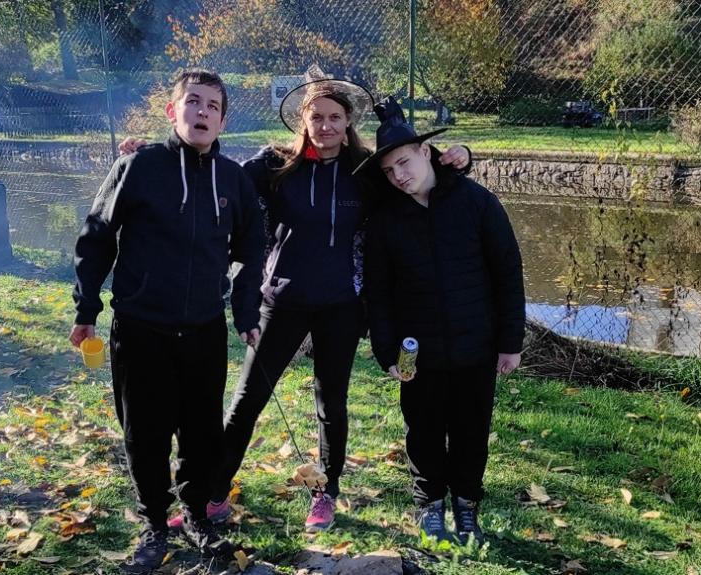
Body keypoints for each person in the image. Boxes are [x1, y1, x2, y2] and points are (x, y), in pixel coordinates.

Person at [119, 75, 473, 532]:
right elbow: (208, 166)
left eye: (335, 117)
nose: (326, 126)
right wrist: (151, 150)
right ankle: (211, 495)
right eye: (316, 117)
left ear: (348, 122)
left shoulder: (366, 172)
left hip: (342, 306)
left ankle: (326, 492)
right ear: (302, 120)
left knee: (331, 404)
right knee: (246, 401)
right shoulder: (273, 165)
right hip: (281, 301)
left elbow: (419, 173)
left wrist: (461, 156)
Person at [69, 69, 264, 573]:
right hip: (141, 328)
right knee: (145, 434)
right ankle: (154, 523)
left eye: (213, 106)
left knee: (201, 433)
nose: (203, 112)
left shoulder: (233, 179)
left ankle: (196, 516)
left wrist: (246, 311)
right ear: (172, 111)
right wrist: (87, 309)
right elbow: (97, 237)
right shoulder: (138, 166)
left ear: (223, 120)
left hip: (204, 330)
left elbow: (251, 248)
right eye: (193, 102)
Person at [356, 96, 525, 547]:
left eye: (404, 162)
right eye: (389, 170)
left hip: (477, 344)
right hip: (417, 353)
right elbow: (379, 294)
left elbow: (508, 272)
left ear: (426, 152)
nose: (399, 176)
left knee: (472, 431)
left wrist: (510, 340)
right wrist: (386, 350)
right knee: (423, 431)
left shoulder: (477, 202)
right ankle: (429, 503)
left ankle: (467, 504)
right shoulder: (385, 221)